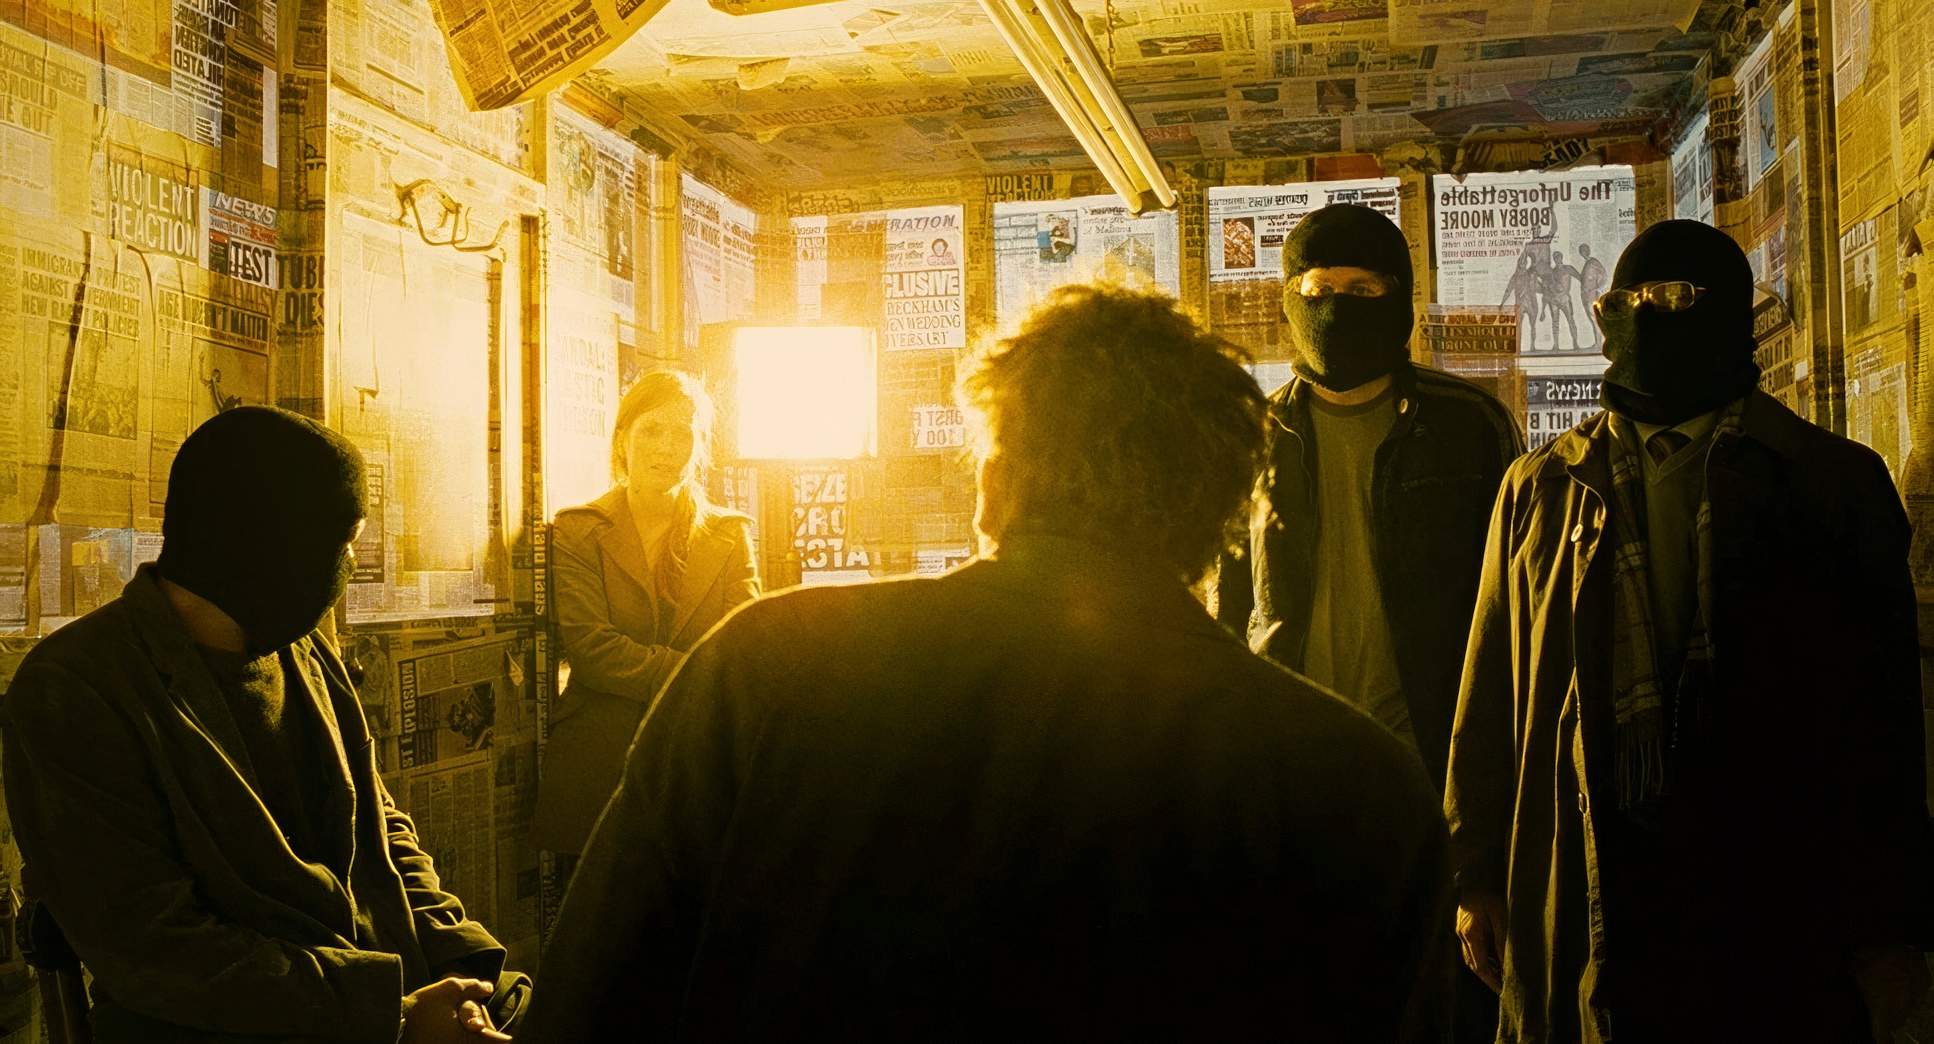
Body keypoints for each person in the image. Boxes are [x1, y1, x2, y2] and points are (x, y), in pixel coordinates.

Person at [520, 285, 1454, 1041]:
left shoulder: (766, 667)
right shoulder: (1358, 783)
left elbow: (594, 998)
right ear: (1226, 515)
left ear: (992, 485)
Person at [1445, 220, 1932, 1042]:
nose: (1644, 317)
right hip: (1588, 860)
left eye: (1672, 298)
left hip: (1775, 870)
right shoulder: (1542, 487)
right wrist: (1472, 872)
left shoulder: (1832, 483)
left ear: (1729, 311)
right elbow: (1491, 686)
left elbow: (1886, 719)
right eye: (1623, 303)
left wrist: (1892, 926)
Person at [0, 406, 527, 1042]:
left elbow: (383, 831)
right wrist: (392, 1015)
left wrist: (462, 965)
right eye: (345, 541)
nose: (350, 562)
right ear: (271, 546)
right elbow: (155, 948)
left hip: (383, 990)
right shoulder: (76, 689)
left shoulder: (302, 651)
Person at [1216, 202, 1520, 1043]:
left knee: (1443, 1003)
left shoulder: (1469, 426)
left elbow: (1511, 622)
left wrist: (1485, 845)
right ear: (1289, 298)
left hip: (1433, 775)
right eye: (1316, 290)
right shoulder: (1256, 435)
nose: (1334, 309)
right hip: (1298, 774)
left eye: (1361, 290)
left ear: (1400, 296)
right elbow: (1230, 610)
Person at [532, 370, 758, 860]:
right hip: (599, 763)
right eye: (653, 430)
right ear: (622, 439)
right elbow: (592, 650)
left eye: (683, 433)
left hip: (699, 762)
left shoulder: (730, 534)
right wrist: (696, 673)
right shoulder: (579, 530)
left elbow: (744, 652)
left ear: (700, 446)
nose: (668, 447)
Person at [1500, 251, 1543, 349]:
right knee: (1518, 326)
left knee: (1533, 325)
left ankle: (1532, 346)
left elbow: (1539, 288)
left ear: (1526, 264)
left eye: (1524, 263)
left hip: (1531, 302)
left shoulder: (1531, 275)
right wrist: (1502, 303)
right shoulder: (1515, 277)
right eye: (1521, 263)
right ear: (1519, 264)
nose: (1523, 264)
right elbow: (1508, 290)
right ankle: (1518, 347)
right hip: (1520, 303)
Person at [1542, 249, 1582, 351]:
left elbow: (1580, 277)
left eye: (1558, 257)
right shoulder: (1552, 272)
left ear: (1561, 257)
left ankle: (1575, 343)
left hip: (1564, 298)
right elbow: (1547, 287)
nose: (1557, 259)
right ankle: (1556, 345)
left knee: (1570, 320)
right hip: (1554, 299)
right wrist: (1547, 286)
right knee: (1555, 322)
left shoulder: (1568, 269)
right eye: (1555, 257)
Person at [1576, 242, 1607, 348]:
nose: (1582, 253)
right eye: (1581, 251)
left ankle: (1599, 343)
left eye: (1584, 250)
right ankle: (1597, 342)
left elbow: (1604, 275)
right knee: (1592, 318)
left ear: (1588, 251)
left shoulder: (1593, 262)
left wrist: (1598, 288)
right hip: (1585, 294)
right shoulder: (1587, 264)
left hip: (1592, 294)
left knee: (1595, 318)